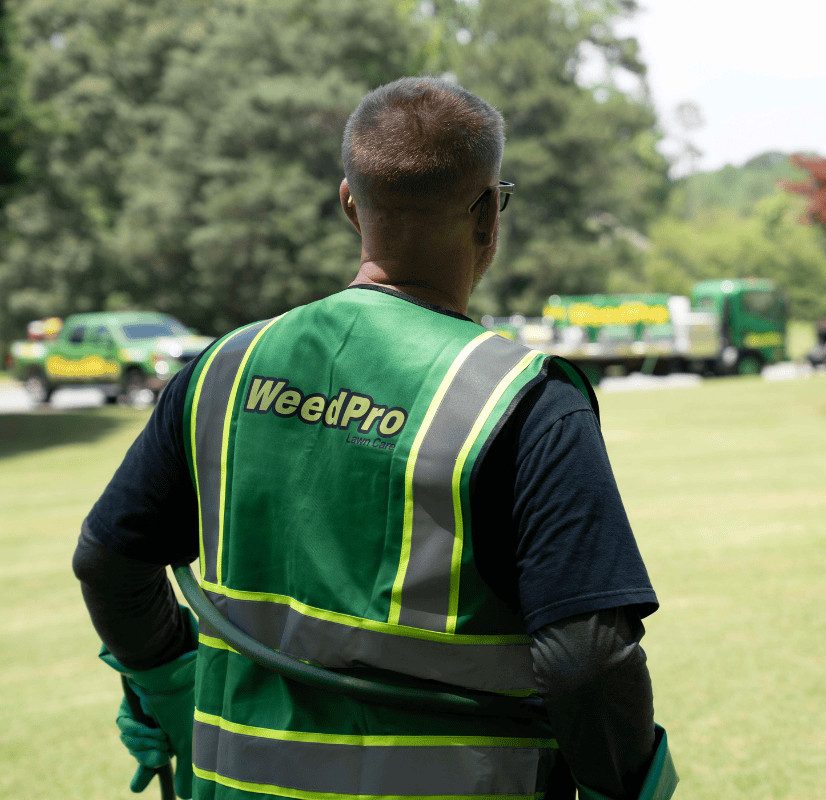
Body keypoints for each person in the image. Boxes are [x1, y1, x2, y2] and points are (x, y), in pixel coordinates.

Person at [74, 77, 673, 800]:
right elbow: (588, 661)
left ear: (350, 205)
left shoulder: (224, 369)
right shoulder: (525, 401)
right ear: (488, 214)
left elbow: (109, 563)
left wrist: (174, 692)